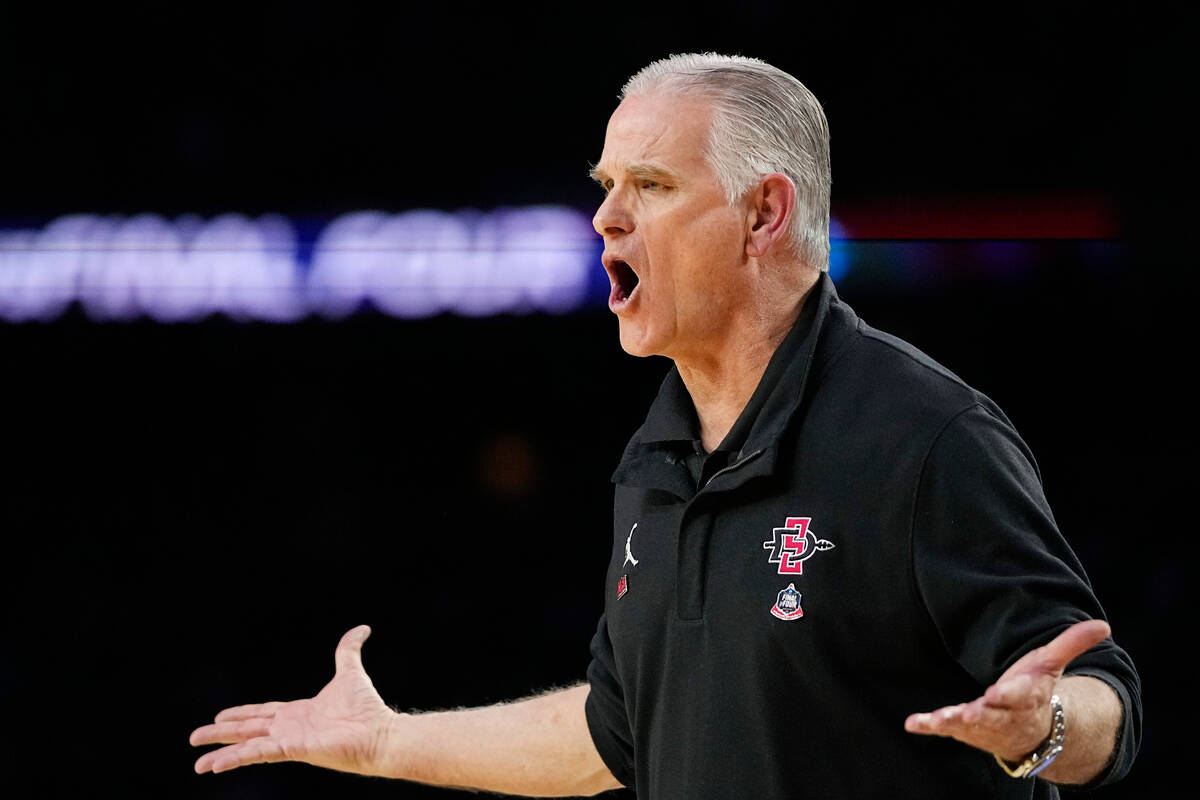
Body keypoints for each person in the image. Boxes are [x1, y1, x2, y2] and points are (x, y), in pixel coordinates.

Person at [190, 53, 1140, 798]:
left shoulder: (927, 436)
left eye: (649, 185)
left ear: (764, 212)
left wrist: (1045, 727)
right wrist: (390, 742)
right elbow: (618, 732)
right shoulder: (655, 457)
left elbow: (1104, 703)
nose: (605, 217)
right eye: (604, 184)